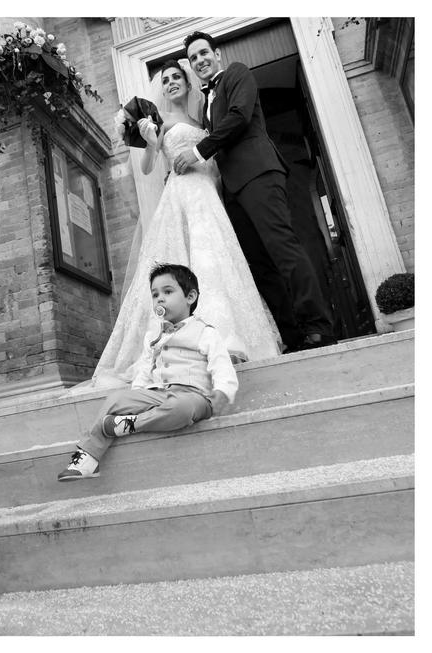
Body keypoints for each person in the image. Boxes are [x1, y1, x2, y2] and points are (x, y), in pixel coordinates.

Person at [75, 58, 280, 393]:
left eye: (176, 77)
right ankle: (192, 344)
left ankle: (228, 337)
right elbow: (146, 167)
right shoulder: (164, 120)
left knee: (216, 260)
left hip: (208, 196)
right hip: (182, 194)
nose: (170, 82)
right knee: (192, 261)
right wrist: (152, 142)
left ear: (187, 82)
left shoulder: (203, 120)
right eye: (165, 79)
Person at [174, 31, 336, 351]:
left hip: (259, 174)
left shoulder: (237, 73)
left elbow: (238, 117)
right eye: (194, 58)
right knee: (258, 264)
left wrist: (196, 153)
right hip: (232, 189)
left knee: (283, 248)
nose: (200, 60)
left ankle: (318, 326)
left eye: (204, 53)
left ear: (216, 54)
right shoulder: (206, 100)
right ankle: (291, 334)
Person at [58, 264, 239, 481]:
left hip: (194, 396)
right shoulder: (154, 336)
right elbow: (145, 369)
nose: (160, 299)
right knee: (116, 399)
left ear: (190, 296)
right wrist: (135, 396)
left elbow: (222, 366)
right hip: (158, 392)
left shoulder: (206, 332)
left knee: (180, 409)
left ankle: (127, 425)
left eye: (168, 292)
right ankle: (88, 456)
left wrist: (222, 393)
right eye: (155, 295)